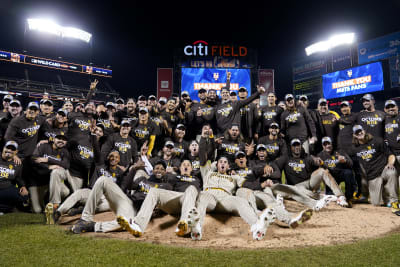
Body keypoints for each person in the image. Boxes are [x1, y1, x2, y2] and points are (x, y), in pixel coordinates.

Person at [188, 129, 277, 241]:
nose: (223, 164)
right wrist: (203, 138)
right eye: (221, 162)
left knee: (241, 201)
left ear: (228, 166)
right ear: (216, 164)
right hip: (210, 196)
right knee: (202, 196)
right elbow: (202, 156)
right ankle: (197, 227)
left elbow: (248, 184)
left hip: (225, 198)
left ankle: (256, 226)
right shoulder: (209, 173)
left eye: (225, 162)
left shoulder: (234, 177)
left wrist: (262, 184)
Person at [71, 160, 173, 234]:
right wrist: (134, 169)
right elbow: (127, 186)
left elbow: (166, 203)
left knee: (127, 224)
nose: (159, 170)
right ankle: (85, 218)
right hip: (127, 202)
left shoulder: (167, 186)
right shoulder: (143, 179)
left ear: (165, 172)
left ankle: (92, 226)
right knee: (103, 180)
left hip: (137, 212)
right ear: (153, 170)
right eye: (157, 168)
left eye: (162, 169)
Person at [118, 160, 201, 237]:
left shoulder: (197, 178)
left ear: (192, 168)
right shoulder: (173, 177)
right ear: (180, 168)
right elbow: (159, 176)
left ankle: (184, 224)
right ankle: (139, 225)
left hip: (190, 198)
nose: (186, 166)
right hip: (176, 198)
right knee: (154, 191)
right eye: (183, 165)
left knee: (191, 188)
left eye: (188, 165)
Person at [233, 151, 313, 228]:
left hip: (256, 191)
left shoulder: (252, 169)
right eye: (238, 158)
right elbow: (245, 184)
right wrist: (262, 184)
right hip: (243, 193)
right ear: (235, 161)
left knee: (270, 200)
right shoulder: (232, 171)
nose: (241, 159)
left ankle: (289, 219)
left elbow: (259, 170)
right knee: (246, 192)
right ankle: (257, 219)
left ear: (246, 159)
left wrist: (266, 168)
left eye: (242, 157)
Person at [50, 151, 125, 225]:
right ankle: (58, 212)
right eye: (111, 156)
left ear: (119, 160)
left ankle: (81, 210)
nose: (113, 158)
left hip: (105, 197)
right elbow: (96, 150)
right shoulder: (100, 165)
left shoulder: (120, 173)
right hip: (92, 192)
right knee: (78, 193)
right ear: (108, 157)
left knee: (109, 205)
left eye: (116, 157)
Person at [275, 138, 349, 208]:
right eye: (294, 145)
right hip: (295, 186)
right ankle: (322, 197)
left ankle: (340, 196)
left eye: (298, 145)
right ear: (291, 147)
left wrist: (320, 162)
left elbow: (320, 163)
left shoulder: (306, 156)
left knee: (322, 171)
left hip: (309, 182)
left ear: (301, 146)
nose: (297, 147)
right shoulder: (286, 157)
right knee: (299, 190)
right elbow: (275, 166)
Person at [349, 125, 399, 213]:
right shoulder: (354, 148)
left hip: (384, 169)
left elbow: (390, 154)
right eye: (357, 132)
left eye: (360, 131)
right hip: (373, 176)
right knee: (376, 203)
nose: (359, 133)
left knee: (391, 172)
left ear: (364, 131)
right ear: (354, 135)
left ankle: (394, 202)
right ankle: (384, 195)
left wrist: (390, 163)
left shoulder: (377, 141)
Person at [30, 134, 70, 214]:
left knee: (65, 192)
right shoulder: (44, 146)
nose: (61, 141)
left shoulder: (65, 151)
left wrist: (48, 159)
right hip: (38, 181)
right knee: (37, 210)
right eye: (59, 138)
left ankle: (53, 205)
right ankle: (43, 200)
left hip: (51, 181)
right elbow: (33, 159)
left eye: (64, 139)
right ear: (53, 139)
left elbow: (66, 165)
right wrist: (48, 167)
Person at [317, 136, 356, 206]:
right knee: (331, 197)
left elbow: (351, 163)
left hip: (341, 173)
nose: (327, 146)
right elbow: (320, 171)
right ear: (322, 146)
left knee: (349, 173)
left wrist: (345, 161)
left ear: (331, 144)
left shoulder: (340, 151)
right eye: (324, 144)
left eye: (328, 143)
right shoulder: (320, 155)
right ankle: (337, 198)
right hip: (331, 177)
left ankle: (349, 197)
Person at [0, 141, 28, 213]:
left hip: (6, 187)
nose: (9, 150)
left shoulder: (17, 163)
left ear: (16, 152)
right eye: (7, 148)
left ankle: (6, 208)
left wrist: (23, 186)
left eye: (12, 149)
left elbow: (18, 177)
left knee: (23, 196)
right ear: (3, 148)